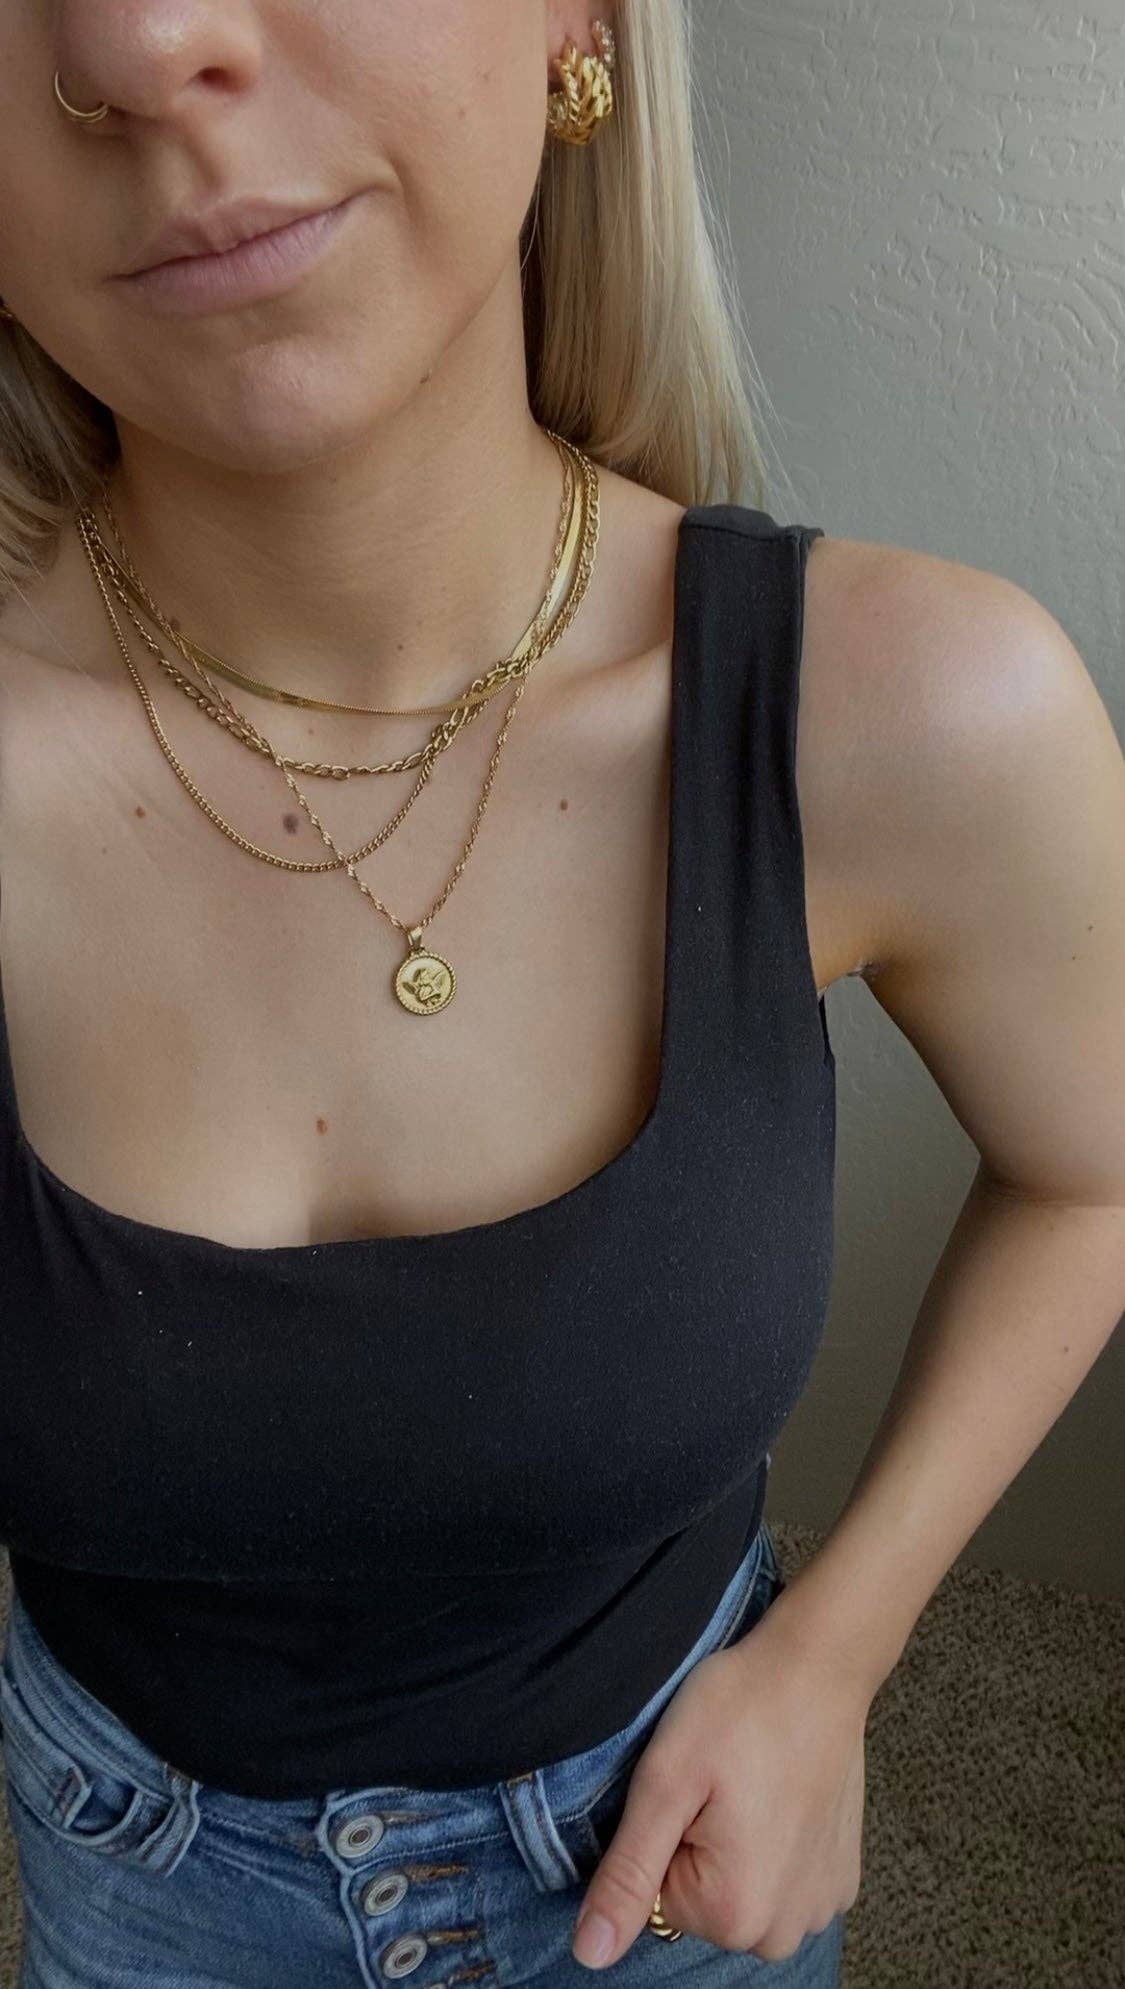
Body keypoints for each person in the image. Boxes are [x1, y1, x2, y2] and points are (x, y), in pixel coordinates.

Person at [0, 5, 1122, 1985]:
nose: (138, 38)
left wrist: (830, 1656)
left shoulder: (908, 714)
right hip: (124, 1876)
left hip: (664, 1869)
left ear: (576, 25)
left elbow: (1094, 1167)